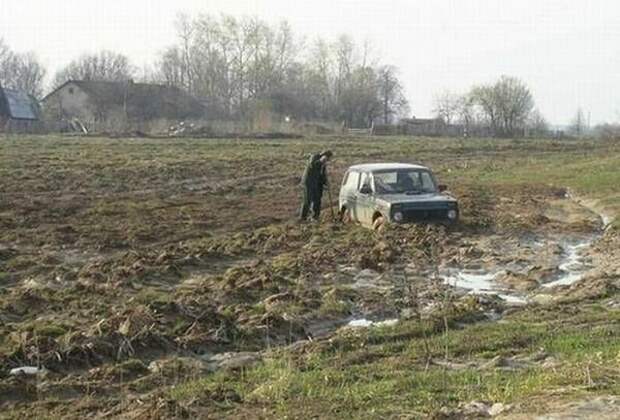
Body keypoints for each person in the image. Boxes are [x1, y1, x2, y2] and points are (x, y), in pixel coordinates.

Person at [299, 150, 333, 222]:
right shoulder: (314, 157)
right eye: (328, 158)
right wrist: (320, 161)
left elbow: (322, 174)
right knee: (308, 200)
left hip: (317, 183)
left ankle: (315, 217)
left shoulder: (324, 163)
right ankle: (303, 217)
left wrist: (326, 183)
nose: (328, 160)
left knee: (317, 200)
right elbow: (313, 165)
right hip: (309, 182)